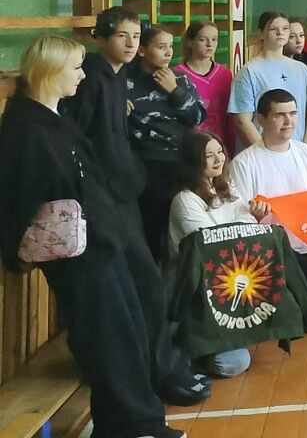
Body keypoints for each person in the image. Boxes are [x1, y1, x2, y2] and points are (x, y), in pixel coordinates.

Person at [0, 35, 190, 438]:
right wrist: (13, 252)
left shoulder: (53, 117)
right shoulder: (27, 129)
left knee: (127, 329)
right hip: (78, 255)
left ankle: (131, 422)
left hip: (101, 243)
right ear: (51, 72)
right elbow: (20, 195)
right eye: (75, 69)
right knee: (109, 340)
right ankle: (133, 426)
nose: (83, 76)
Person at [62, 7, 209, 405]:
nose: (129, 44)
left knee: (145, 286)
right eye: (121, 36)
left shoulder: (116, 78)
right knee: (136, 288)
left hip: (126, 194)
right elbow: (79, 145)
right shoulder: (94, 78)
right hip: (105, 202)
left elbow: (194, 116)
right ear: (100, 38)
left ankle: (160, 367)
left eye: (133, 36)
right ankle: (152, 372)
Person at [228, 89, 307, 332]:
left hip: (306, 248)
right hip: (268, 255)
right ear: (261, 119)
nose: (288, 121)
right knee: (278, 315)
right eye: (280, 115)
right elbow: (236, 217)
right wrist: (256, 215)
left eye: (293, 113)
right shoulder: (244, 162)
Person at [167, 130, 272, 378]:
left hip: (230, 283)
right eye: (209, 155)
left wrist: (255, 217)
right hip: (200, 293)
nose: (219, 159)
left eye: (220, 152)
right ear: (193, 161)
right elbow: (213, 248)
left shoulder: (228, 188)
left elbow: (248, 229)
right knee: (234, 363)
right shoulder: (185, 200)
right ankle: (192, 352)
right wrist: (244, 229)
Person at [126, 22, 206, 256]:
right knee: (151, 230)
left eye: (171, 46)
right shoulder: (125, 81)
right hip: (146, 166)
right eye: (161, 47)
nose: (169, 52)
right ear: (142, 50)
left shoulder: (180, 78)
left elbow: (197, 117)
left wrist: (174, 91)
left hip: (181, 162)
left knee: (184, 228)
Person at [229, 10, 307, 146]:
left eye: (285, 29)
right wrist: (264, 151)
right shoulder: (250, 71)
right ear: (261, 34)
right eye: (273, 29)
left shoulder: (301, 69)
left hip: (296, 147)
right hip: (265, 148)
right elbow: (242, 120)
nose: (280, 33)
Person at [176, 20, 235, 155]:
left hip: (220, 145)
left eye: (214, 39)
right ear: (190, 42)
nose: (210, 44)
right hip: (192, 147)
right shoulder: (178, 74)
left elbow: (229, 116)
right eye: (203, 40)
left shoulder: (225, 74)